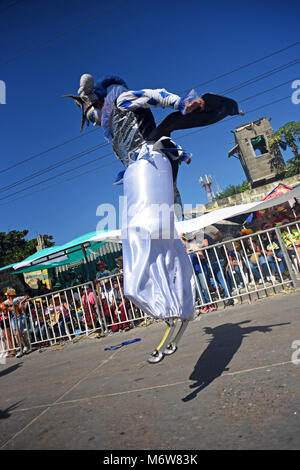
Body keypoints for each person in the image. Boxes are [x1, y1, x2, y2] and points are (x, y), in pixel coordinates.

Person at [64, 75, 243, 362]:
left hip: (149, 160)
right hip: (135, 169)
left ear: (97, 101)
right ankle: (168, 304)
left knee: (149, 230)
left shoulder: (120, 100)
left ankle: (175, 301)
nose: (94, 120)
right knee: (139, 236)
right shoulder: (112, 130)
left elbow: (153, 94)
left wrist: (181, 103)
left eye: (92, 113)